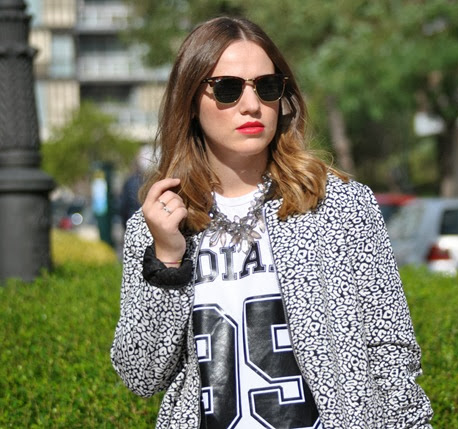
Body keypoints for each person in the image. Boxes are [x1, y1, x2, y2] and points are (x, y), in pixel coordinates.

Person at [110, 16, 434, 429]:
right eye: (227, 89)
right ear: (190, 102)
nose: (251, 105)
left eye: (266, 86)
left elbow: (391, 349)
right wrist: (168, 259)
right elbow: (140, 375)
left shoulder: (338, 206)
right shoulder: (159, 224)